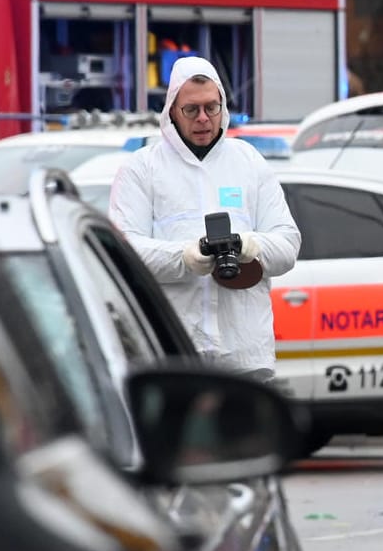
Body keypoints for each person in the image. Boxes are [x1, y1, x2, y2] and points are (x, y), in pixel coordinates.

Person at [111, 56, 301, 379]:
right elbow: (124, 254)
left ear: (223, 107)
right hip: (171, 352)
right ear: (172, 110)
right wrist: (185, 257)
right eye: (191, 109)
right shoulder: (142, 169)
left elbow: (288, 244)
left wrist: (248, 246)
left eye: (211, 107)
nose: (203, 118)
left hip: (244, 357)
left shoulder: (249, 162)